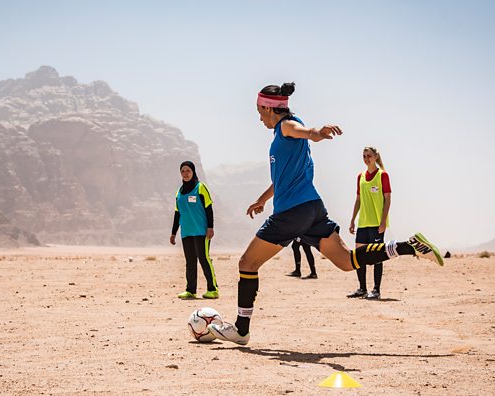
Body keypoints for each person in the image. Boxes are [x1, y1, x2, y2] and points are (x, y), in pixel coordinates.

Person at [207, 82, 443, 345]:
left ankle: (241, 329)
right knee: (346, 261)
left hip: (292, 212)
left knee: (247, 264)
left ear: (267, 107)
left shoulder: (286, 126)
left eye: (259, 111)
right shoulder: (283, 134)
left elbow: (306, 132)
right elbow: (283, 177)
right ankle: (410, 246)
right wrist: (262, 200)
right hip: (312, 208)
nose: (258, 116)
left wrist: (317, 132)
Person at [346, 147, 391, 300]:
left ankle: (376, 290)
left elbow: (388, 199)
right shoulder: (360, 177)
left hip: (377, 223)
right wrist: (352, 220)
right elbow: (358, 200)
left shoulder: (382, 175)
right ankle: (362, 288)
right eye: (364, 156)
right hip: (363, 223)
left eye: (369, 156)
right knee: (359, 256)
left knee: (377, 256)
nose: (366, 159)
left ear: (376, 156)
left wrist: (383, 221)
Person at [170, 161, 219, 299]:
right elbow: (177, 213)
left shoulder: (200, 187)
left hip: (201, 231)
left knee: (204, 259)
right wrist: (173, 233)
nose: (185, 173)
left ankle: (213, 289)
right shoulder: (179, 192)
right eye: (183, 171)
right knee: (190, 261)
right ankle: (191, 290)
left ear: (193, 172)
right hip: (186, 232)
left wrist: (210, 227)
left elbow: (209, 208)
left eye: (188, 171)